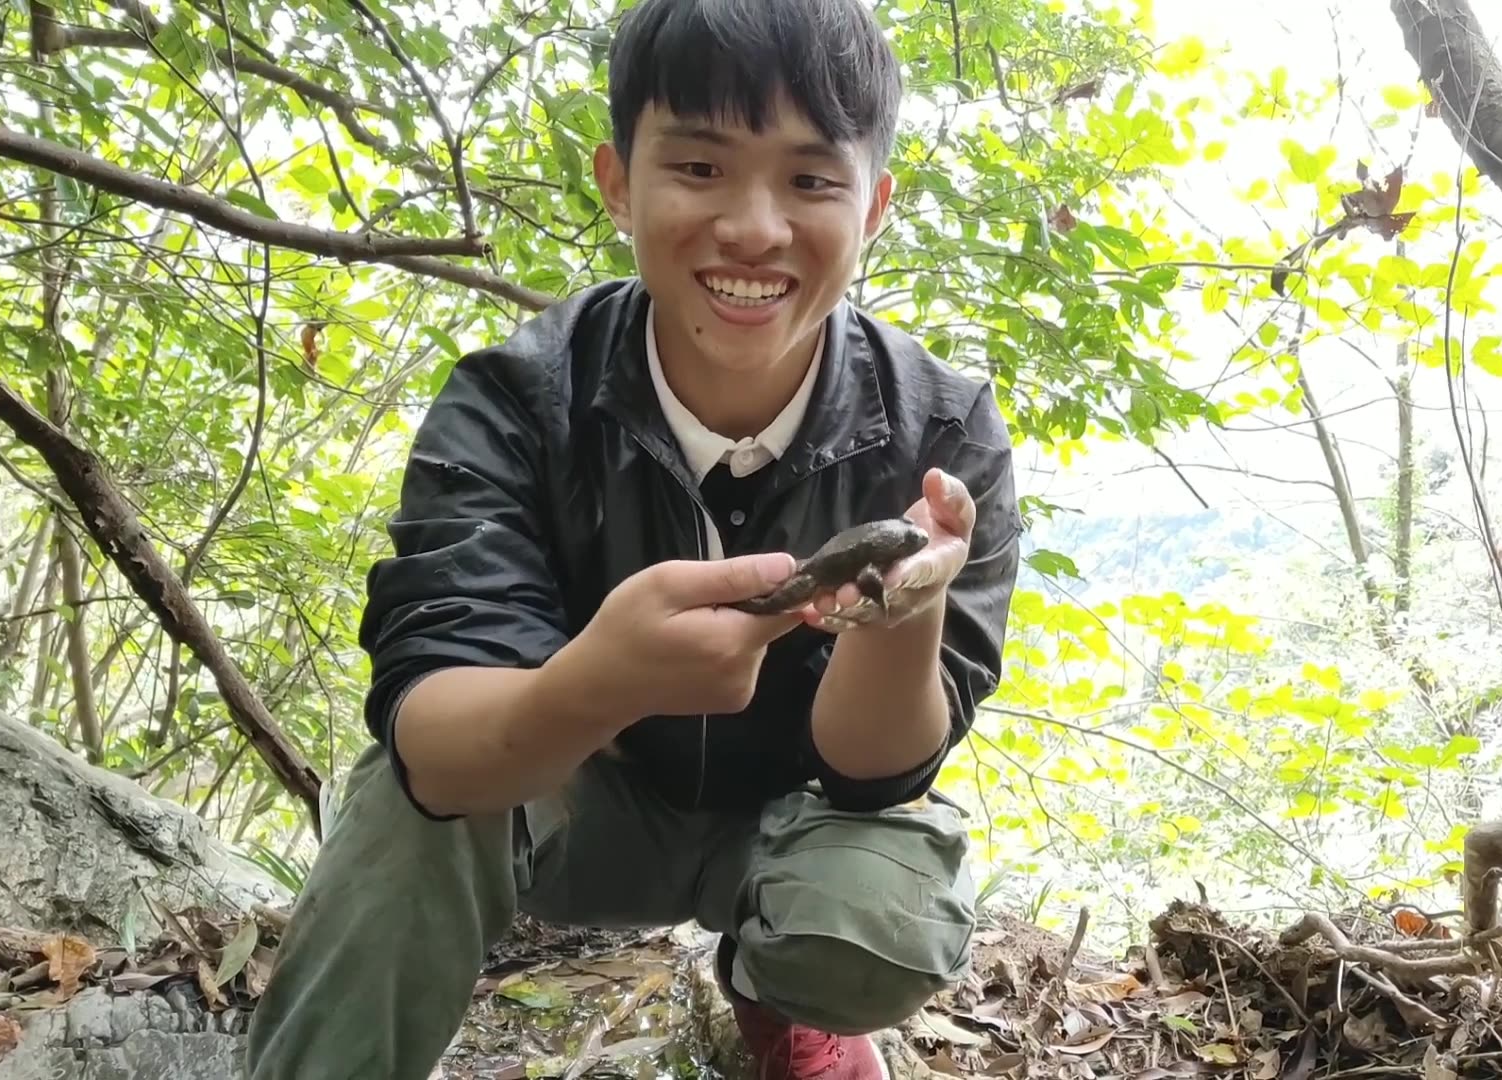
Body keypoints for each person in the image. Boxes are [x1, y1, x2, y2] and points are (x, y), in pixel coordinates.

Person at [242, 0, 1021, 1076]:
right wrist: (601, 682)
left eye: (810, 179)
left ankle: (774, 987)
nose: (753, 227)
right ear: (617, 181)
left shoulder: (941, 431)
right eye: (699, 167)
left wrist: (905, 613)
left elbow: (877, 777)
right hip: (570, 803)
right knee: (408, 804)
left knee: (877, 917)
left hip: (794, 826)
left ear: (875, 204)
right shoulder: (517, 401)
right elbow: (433, 735)